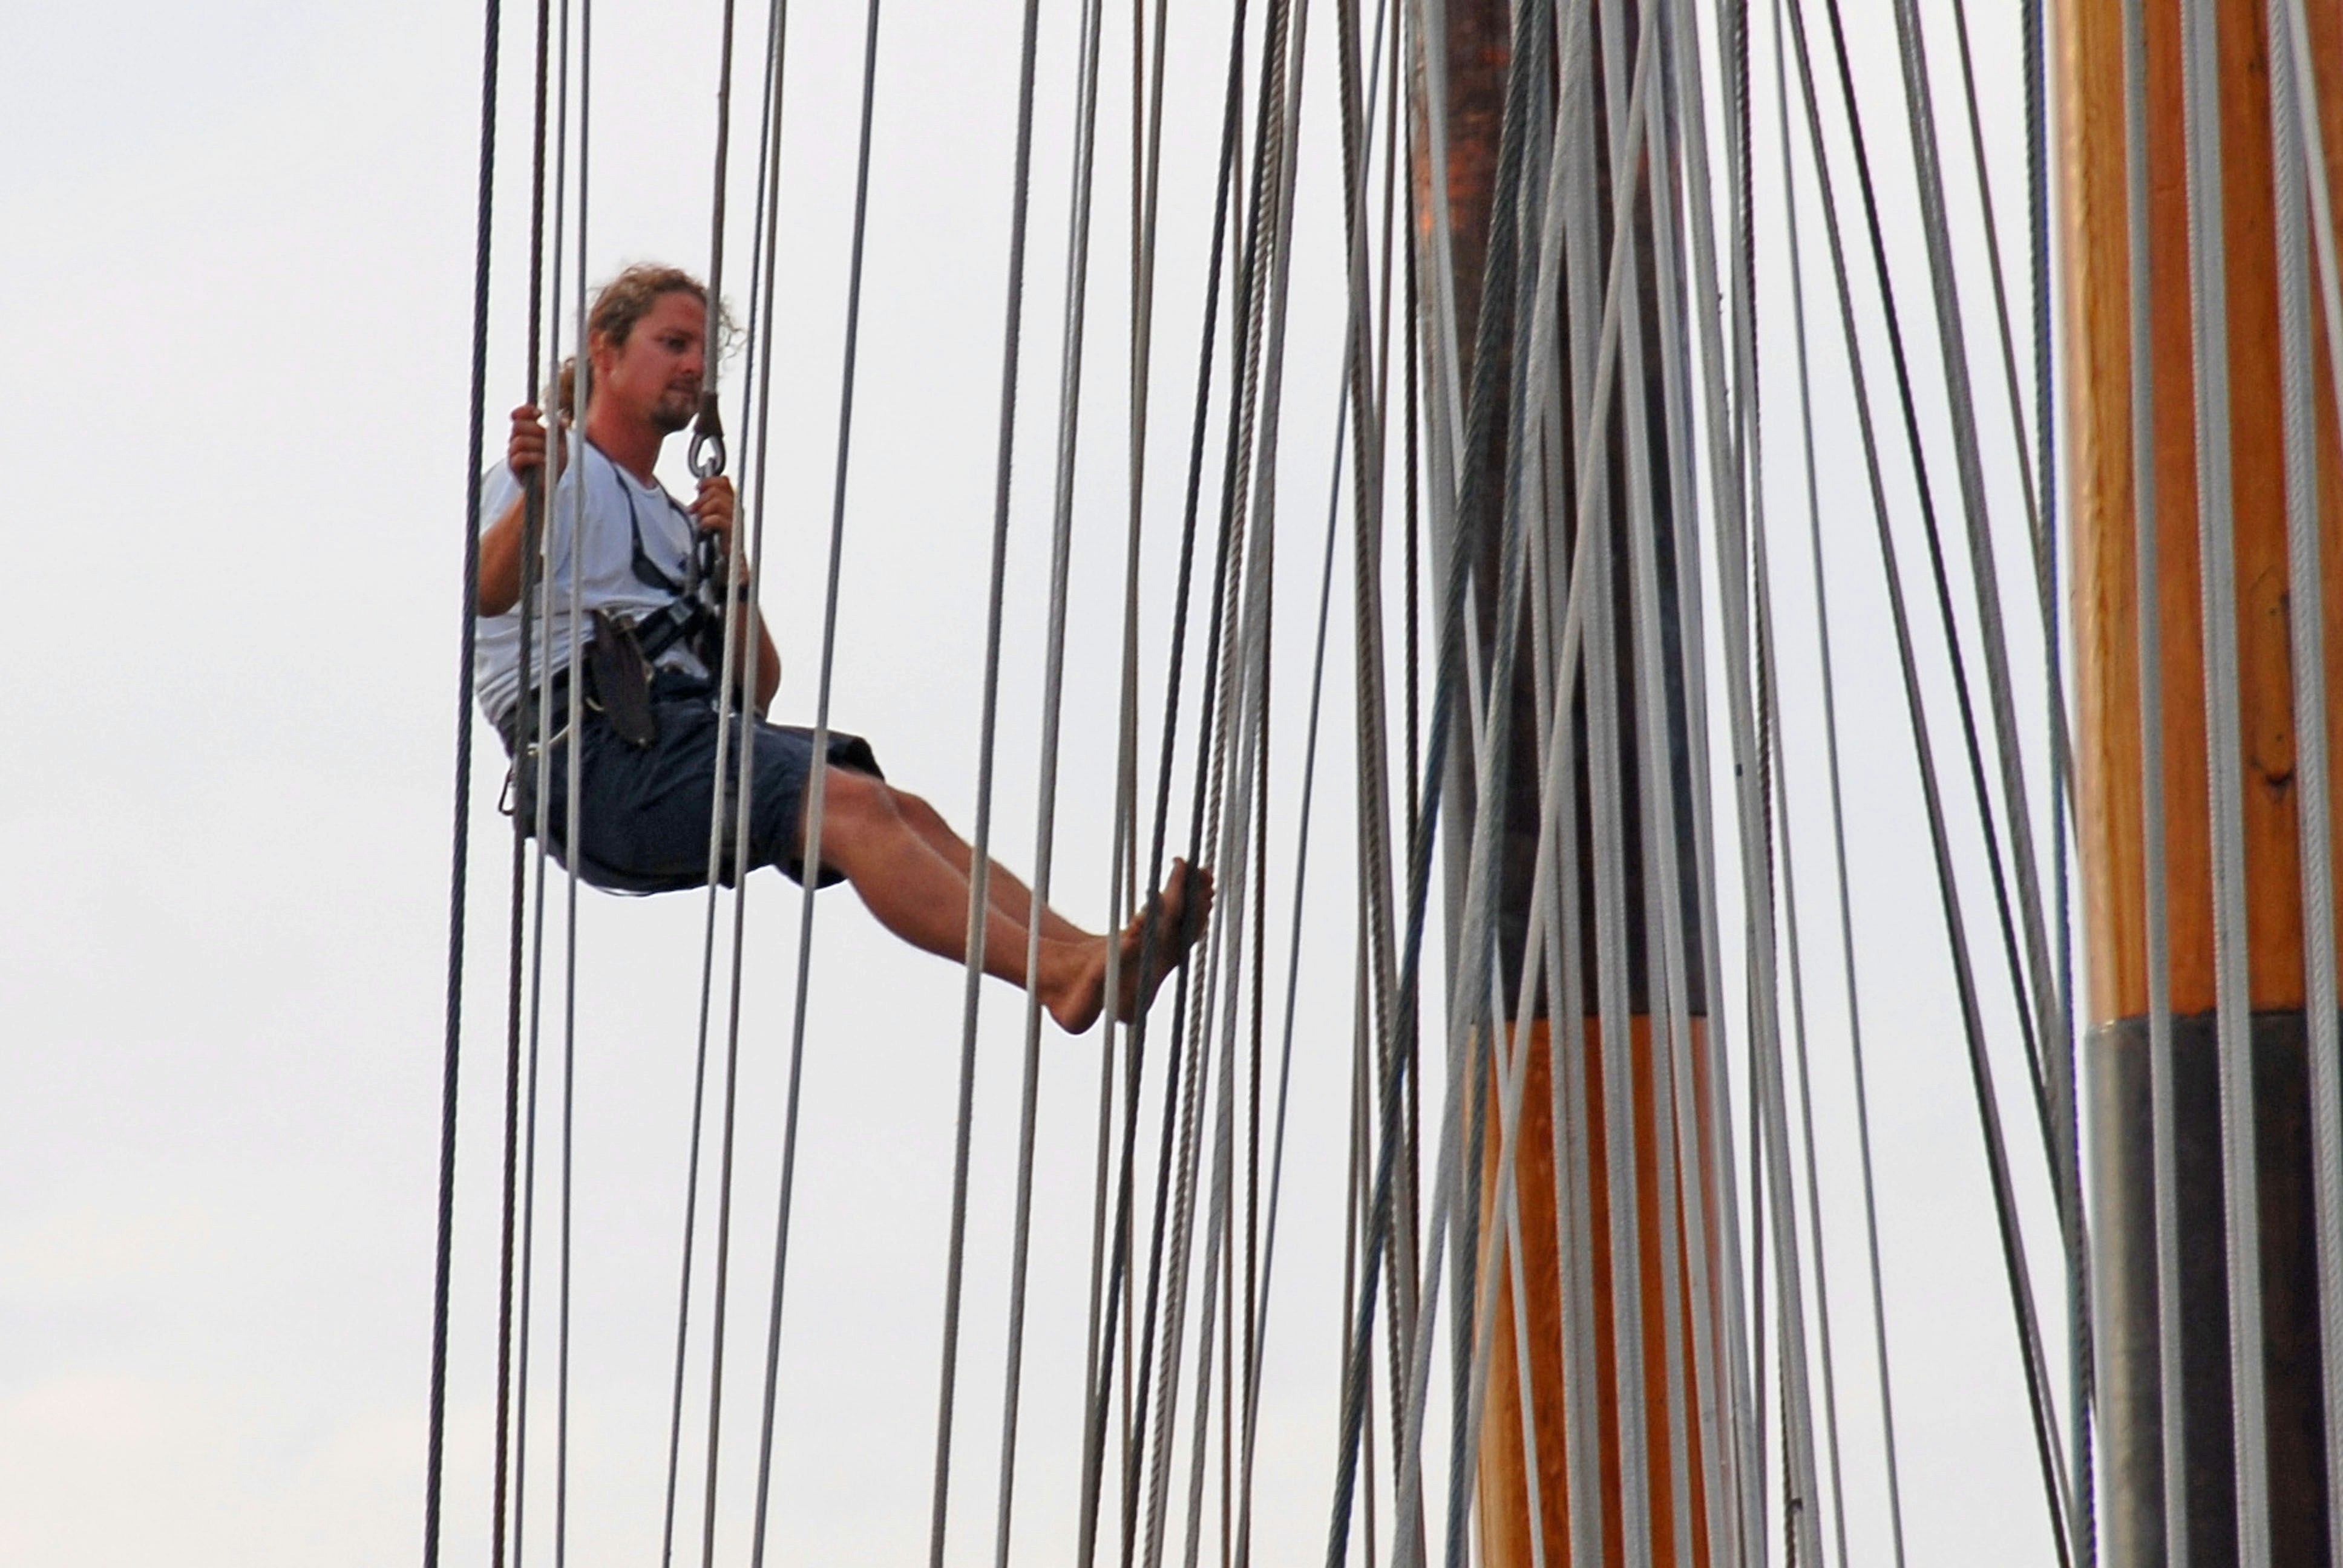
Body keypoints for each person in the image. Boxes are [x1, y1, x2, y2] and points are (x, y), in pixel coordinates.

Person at [474, 263, 1208, 1033]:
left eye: (701, 352)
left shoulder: (676, 518)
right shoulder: (557, 469)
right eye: (672, 343)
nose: (693, 366)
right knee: (846, 806)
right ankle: (1059, 975)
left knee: (897, 809)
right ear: (606, 352)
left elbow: (755, 691)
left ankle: (1086, 955)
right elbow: (489, 595)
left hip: (673, 736)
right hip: (594, 759)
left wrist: (735, 579)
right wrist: (540, 495)